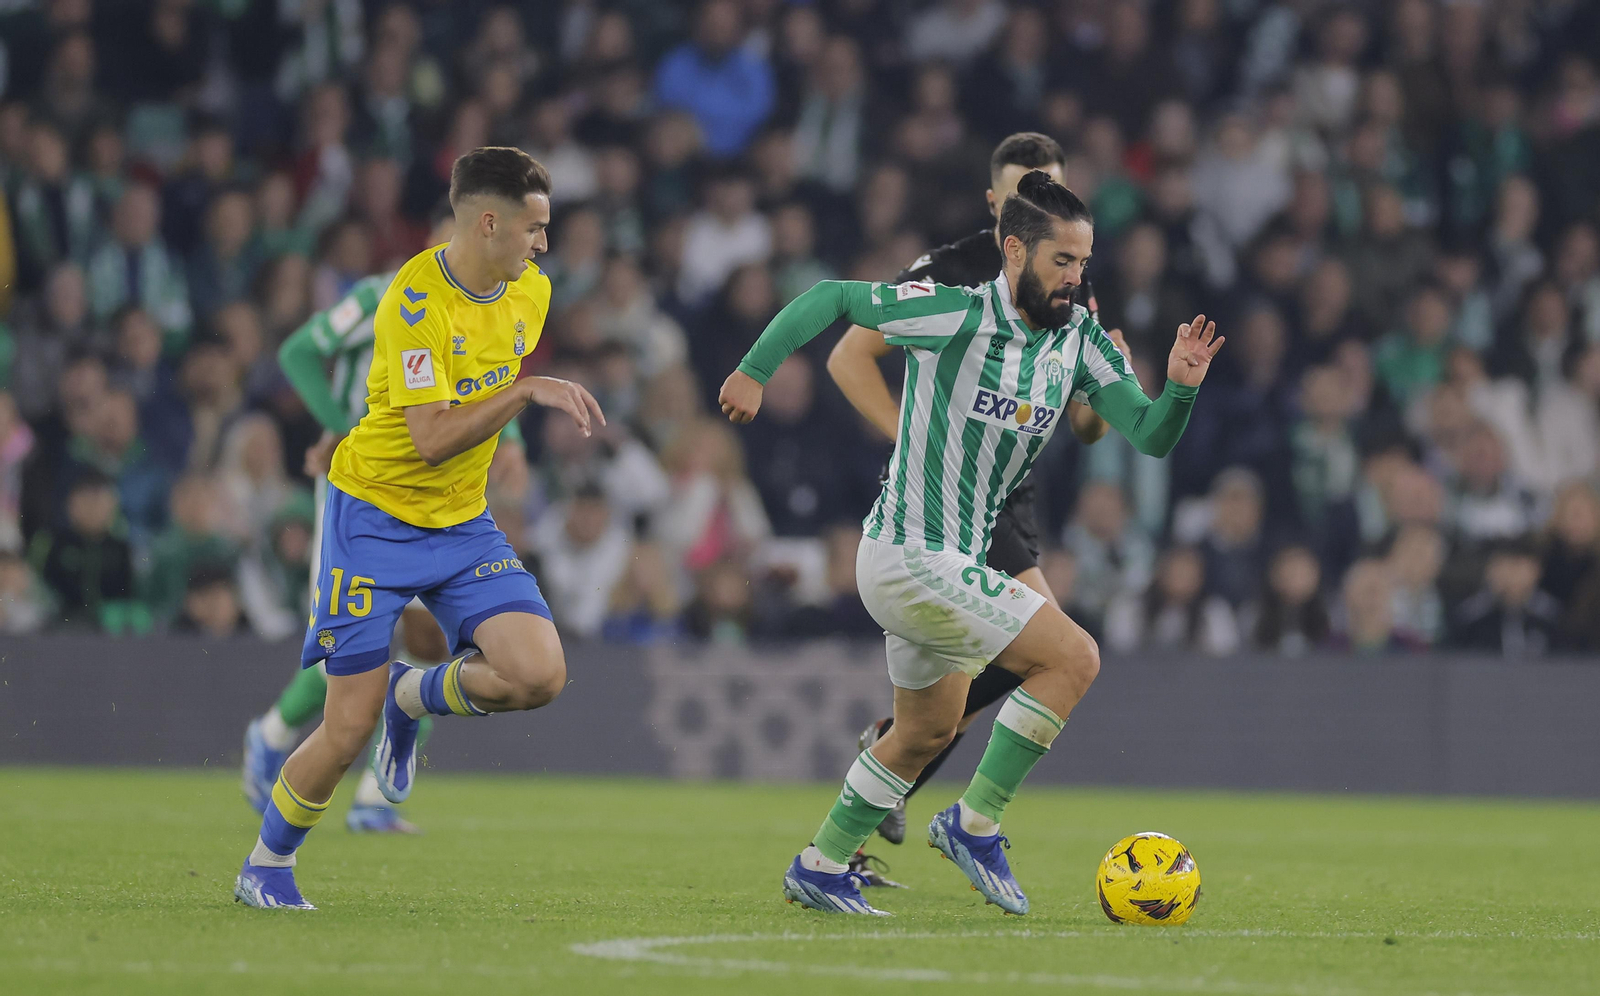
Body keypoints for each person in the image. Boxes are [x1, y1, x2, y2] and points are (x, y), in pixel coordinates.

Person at [718, 170, 1222, 915]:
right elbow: (831, 296)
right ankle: (974, 822)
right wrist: (754, 370)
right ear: (1015, 251)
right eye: (1062, 262)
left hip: (954, 560)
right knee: (1074, 656)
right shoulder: (954, 314)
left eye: (1084, 264)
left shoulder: (1079, 340)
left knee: (924, 731)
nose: (1077, 281)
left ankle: (820, 864)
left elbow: (1148, 437)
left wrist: (1180, 387)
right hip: (907, 553)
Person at [234, 148, 605, 911]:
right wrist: (530, 390)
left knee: (540, 675)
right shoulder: (411, 299)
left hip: (462, 524)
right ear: (489, 221)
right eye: (534, 227)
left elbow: (488, 401)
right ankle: (265, 865)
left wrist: (517, 434)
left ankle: (415, 697)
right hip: (371, 518)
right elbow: (434, 436)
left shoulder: (528, 294)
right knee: (344, 730)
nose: (543, 244)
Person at [825, 133, 1127, 866]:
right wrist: (908, 437)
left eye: (1051, 190)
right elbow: (847, 355)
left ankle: (856, 832)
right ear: (995, 206)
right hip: (948, 496)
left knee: (962, 697)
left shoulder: (1070, 282)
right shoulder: (950, 273)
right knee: (1054, 653)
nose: (1040, 207)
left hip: (1010, 497)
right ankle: (952, 821)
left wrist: (1109, 389)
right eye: (1024, 193)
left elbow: (1087, 428)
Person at [239, 209, 528, 836]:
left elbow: (491, 375)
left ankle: (373, 794)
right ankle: (269, 735)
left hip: (439, 494)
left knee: (426, 646)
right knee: (352, 654)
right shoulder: (381, 295)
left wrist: (518, 446)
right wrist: (342, 427)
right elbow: (298, 352)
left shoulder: (490, 301)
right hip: (363, 488)